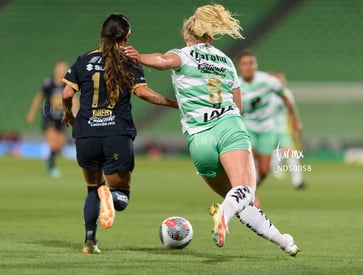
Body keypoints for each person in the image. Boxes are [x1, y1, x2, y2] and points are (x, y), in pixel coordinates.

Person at [122, 4, 299, 256]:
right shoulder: (226, 61)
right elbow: (237, 105)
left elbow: (162, 61)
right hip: (228, 126)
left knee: (237, 196)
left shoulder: (182, 55)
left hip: (198, 138)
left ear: (187, 36)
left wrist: (137, 57)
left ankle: (284, 242)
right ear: (211, 36)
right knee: (244, 192)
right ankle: (224, 213)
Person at [61, 14, 178, 254]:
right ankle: (111, 198)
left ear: (102, 34)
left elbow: (65, 94)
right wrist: (175, 103)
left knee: (92, 188)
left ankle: (90, 241)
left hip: (87, 134)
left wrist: (68, 114)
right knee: (121, 196)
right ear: (125, 37)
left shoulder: (84, 60)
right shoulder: (130, 61)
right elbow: (144, 94)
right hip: (117, 132)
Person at [237, 51, 302, 189]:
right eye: (244, 63)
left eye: (251, 63)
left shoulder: (267, 81)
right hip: (247, 126)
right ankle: (244, 193)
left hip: (267, 128)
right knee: (250, 158)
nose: (248, 66)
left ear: (256, 65)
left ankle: (250, 191)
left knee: (264, 171)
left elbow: (285, 97)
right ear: (239, 66)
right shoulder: (235, 84)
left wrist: (295, 120)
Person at [26, 60, 77, 178]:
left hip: (62, 117)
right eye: (60, 68)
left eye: (64, 68)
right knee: (53, 142)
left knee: (60, 145)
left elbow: (74, 99)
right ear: (55, 69)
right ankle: (51, 165)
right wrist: (31, 113)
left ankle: (49, 161)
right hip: (49, 117)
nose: (61, 70)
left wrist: (74, 113)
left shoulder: (68, 84)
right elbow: (38, 98)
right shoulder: (48, 83)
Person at [269, 72, 307, 189]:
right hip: (266, 129)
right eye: (278, 80)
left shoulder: (287, 94)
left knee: (290, 153)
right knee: (261, 156)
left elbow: (291, 111)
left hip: (281, 129)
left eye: (282, 80)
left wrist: (296, 123)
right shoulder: (267, 94)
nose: (281, 82)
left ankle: (298, 182)